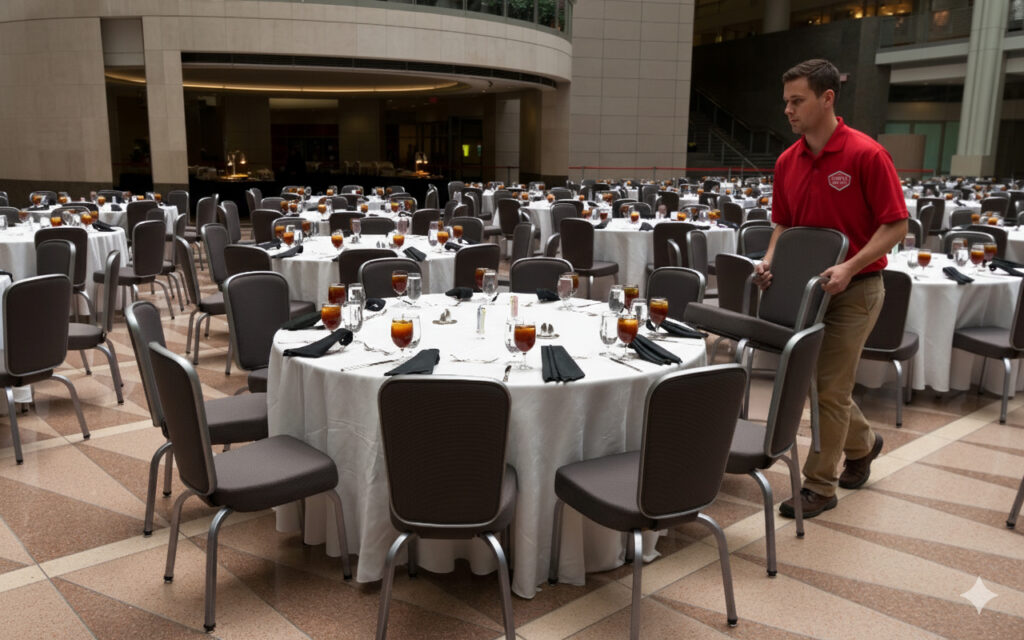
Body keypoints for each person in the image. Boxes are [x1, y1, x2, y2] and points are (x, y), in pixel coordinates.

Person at [755, 59, 908, 518]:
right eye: (785, 102)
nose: (789, 110)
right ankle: (864, 443)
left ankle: (819, 485)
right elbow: (784, 222)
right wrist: (769, 258)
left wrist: (849, 266)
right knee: (822, 386)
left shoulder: (865, 154)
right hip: (809, 290)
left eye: (797, 101)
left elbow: (896, 225)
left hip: (856, 288)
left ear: (827, 98)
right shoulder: (788, 160)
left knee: (828, 388)